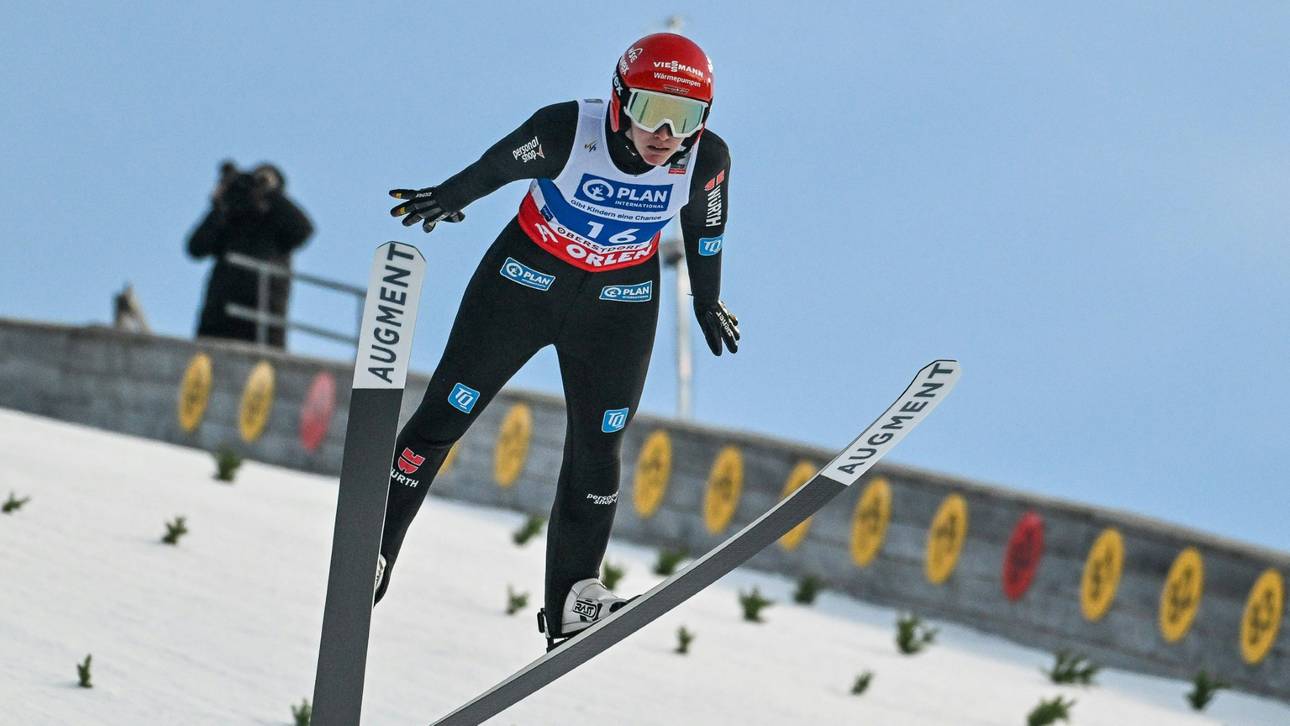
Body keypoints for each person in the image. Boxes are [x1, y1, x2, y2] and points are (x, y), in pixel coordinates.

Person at [376, 33, 739, 650]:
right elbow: (496, 166)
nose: (667, 134)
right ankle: (374, 548)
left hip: (618, 304)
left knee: (601, 445)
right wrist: (447, 198)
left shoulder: (705, 158)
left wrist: (706, 299)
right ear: (621, 101)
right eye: (654, 111)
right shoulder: (569, 129)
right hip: (524, 283)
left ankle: (573, 599)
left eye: (688, 118)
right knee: (448, 411)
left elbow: (706, 230)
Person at [187, 161, 313, 347]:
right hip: (219, 319)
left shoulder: (279, 222)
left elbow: (303, 230)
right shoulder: (231, 217)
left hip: (264, 323)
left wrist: (269, 192)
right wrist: (220, 204)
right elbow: (196, 247)